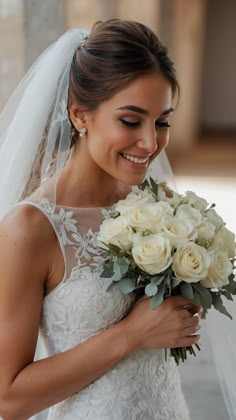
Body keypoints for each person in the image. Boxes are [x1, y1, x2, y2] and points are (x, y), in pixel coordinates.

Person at [0, 19, 202, 419]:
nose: (150, 143)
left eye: (162, 121)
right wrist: (131, 335)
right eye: (130, 121)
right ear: (80, 116)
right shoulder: (31, 229)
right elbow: (8, 399)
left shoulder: (162, 203)